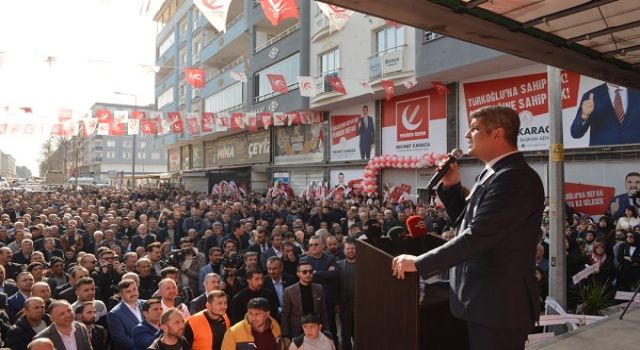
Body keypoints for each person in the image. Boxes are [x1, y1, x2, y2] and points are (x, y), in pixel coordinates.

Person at [392, 106, 545, 350]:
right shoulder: (492, 173)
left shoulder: (515, 177)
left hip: (498, 307)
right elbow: (466, 223)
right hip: (481, 303)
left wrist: (419, 263)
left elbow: (477, 237)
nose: (466, 136)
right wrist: (452, 188)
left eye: (473, 129)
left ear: (497, 134)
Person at [570, 82, 640, 146]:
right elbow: (575, 133)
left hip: (636, 156)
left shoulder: (637, 92)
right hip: (604, 157)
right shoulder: (590, 96)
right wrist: (584, 116)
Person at [282, 262, 329, 348]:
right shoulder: (289, 291)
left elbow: (323, 311)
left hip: (316, 330)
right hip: (297, 331)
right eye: (304, 272)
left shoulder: (319, 288)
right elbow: (285, 314)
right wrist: (285, 335)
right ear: (298, 274)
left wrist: (326, 331)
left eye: (310, 272)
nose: (308, 274)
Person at [107, 279, 145, 350]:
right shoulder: (114, 314)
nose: (133, 293)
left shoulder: (147, 305)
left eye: (134, 289)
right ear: (121, 295)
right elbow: (122, 339)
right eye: (128, 291)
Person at [336, 240, 356, 350]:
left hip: (360, 306)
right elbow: (336, 287)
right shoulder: (338, 265)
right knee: (346, 335)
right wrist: (337, 304)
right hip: (345, 307)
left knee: (359, 334)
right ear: (344, 251)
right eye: (348, 248)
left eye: (352, 248)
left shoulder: (363, 265)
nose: (350, 251)